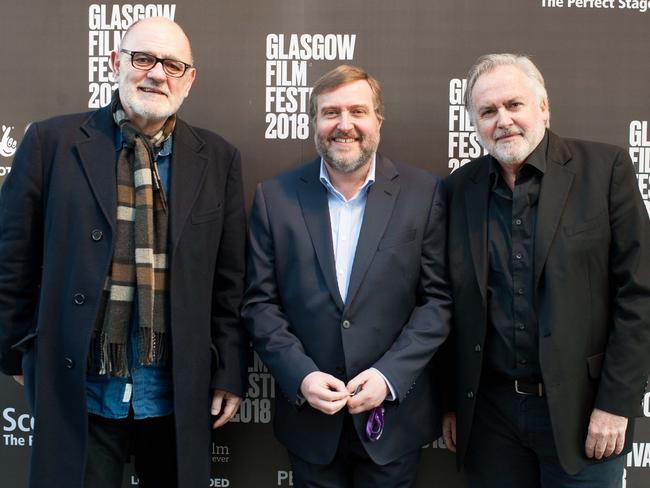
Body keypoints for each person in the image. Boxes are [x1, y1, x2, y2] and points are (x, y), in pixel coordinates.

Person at [0, 17, 248, 488]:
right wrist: (17, 352)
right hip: (80, 389)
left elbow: (230, 281)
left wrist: (230, 369)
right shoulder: (49, 143)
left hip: (175, 392)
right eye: (143, 58)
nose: (157, 73)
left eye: (173, 65)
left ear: (189, 79)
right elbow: (12, 259)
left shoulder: (218, 159)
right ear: (115, 63)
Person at [442, 53, 650, 487]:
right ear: (475, 122)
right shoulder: (458, 190)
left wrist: (616, 404)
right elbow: (446, 302)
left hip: (585, 415)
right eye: (488, 111)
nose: (503, 120)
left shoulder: (604, 170)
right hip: (489, 421)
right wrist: (451, 404)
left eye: (514, 105)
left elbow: (639, 293)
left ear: (543, 106)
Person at [242, 64, 452, 487]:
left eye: (357, 111)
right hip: (310, 426)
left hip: (392, 422)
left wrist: (389, 376)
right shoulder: (274, 198)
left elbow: (438, 302)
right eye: (330, 112)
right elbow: (259, 305)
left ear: (377, 119)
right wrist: (300, 375)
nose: (344, 124)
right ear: (314, 122)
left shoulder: (423, 193)